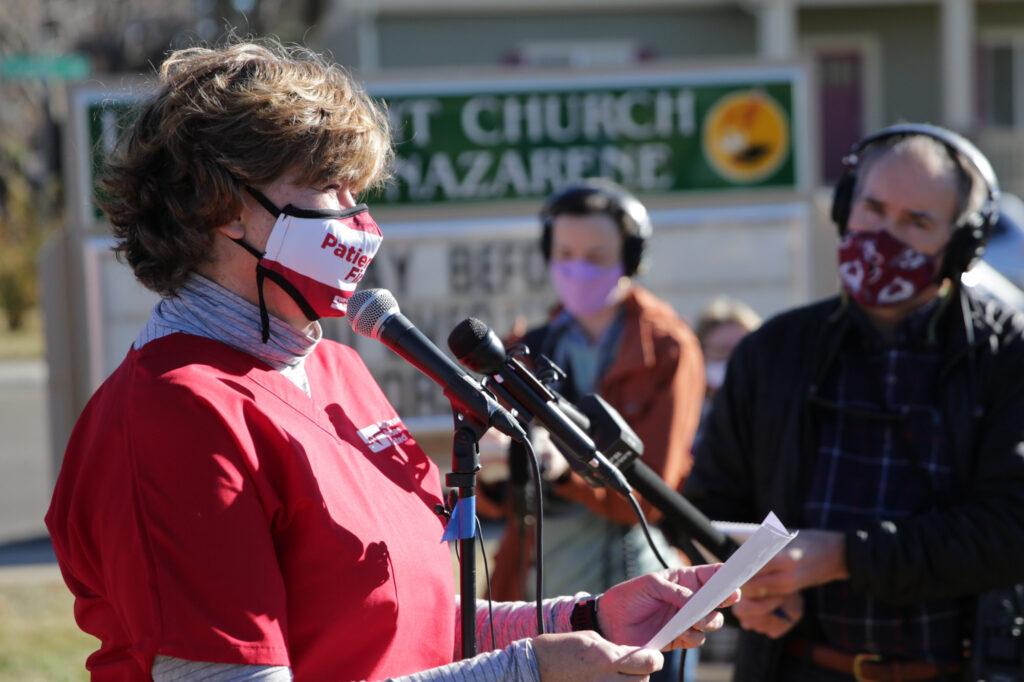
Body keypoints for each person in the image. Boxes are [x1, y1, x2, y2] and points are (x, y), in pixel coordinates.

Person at [44, 41, 737, 681]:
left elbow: (415, 626)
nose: (358, 216)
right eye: (329, 187)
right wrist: (528, 670)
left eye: (357, 190)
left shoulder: (337, 369)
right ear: (224, 207)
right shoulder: (176, 417)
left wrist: (583, 620)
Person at [684, 123, 1024, 681]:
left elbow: (1011, 529)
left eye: (917, 222)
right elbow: (705, 510)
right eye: (874, 209)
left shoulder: (1006, 355)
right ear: (845, 207)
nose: (886, 235)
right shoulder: (772, 351)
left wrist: (843, 557)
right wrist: (736, 591)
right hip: (793, 668)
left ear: (960, 246)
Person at [484, 179, 706, 682]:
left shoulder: (668, 348)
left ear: (631, 257)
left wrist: (563, 473)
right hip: (540, 591)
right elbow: (497, 503)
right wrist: (495, 470)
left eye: (596, 255)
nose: (577, 267)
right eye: (564, 252)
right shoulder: (524, 347)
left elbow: (650, 496)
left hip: (636, 597)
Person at [694, 297, 761, 403]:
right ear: (701, 353)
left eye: (742, 351)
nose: (732, 359)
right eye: (722, 350)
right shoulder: (688, 408)